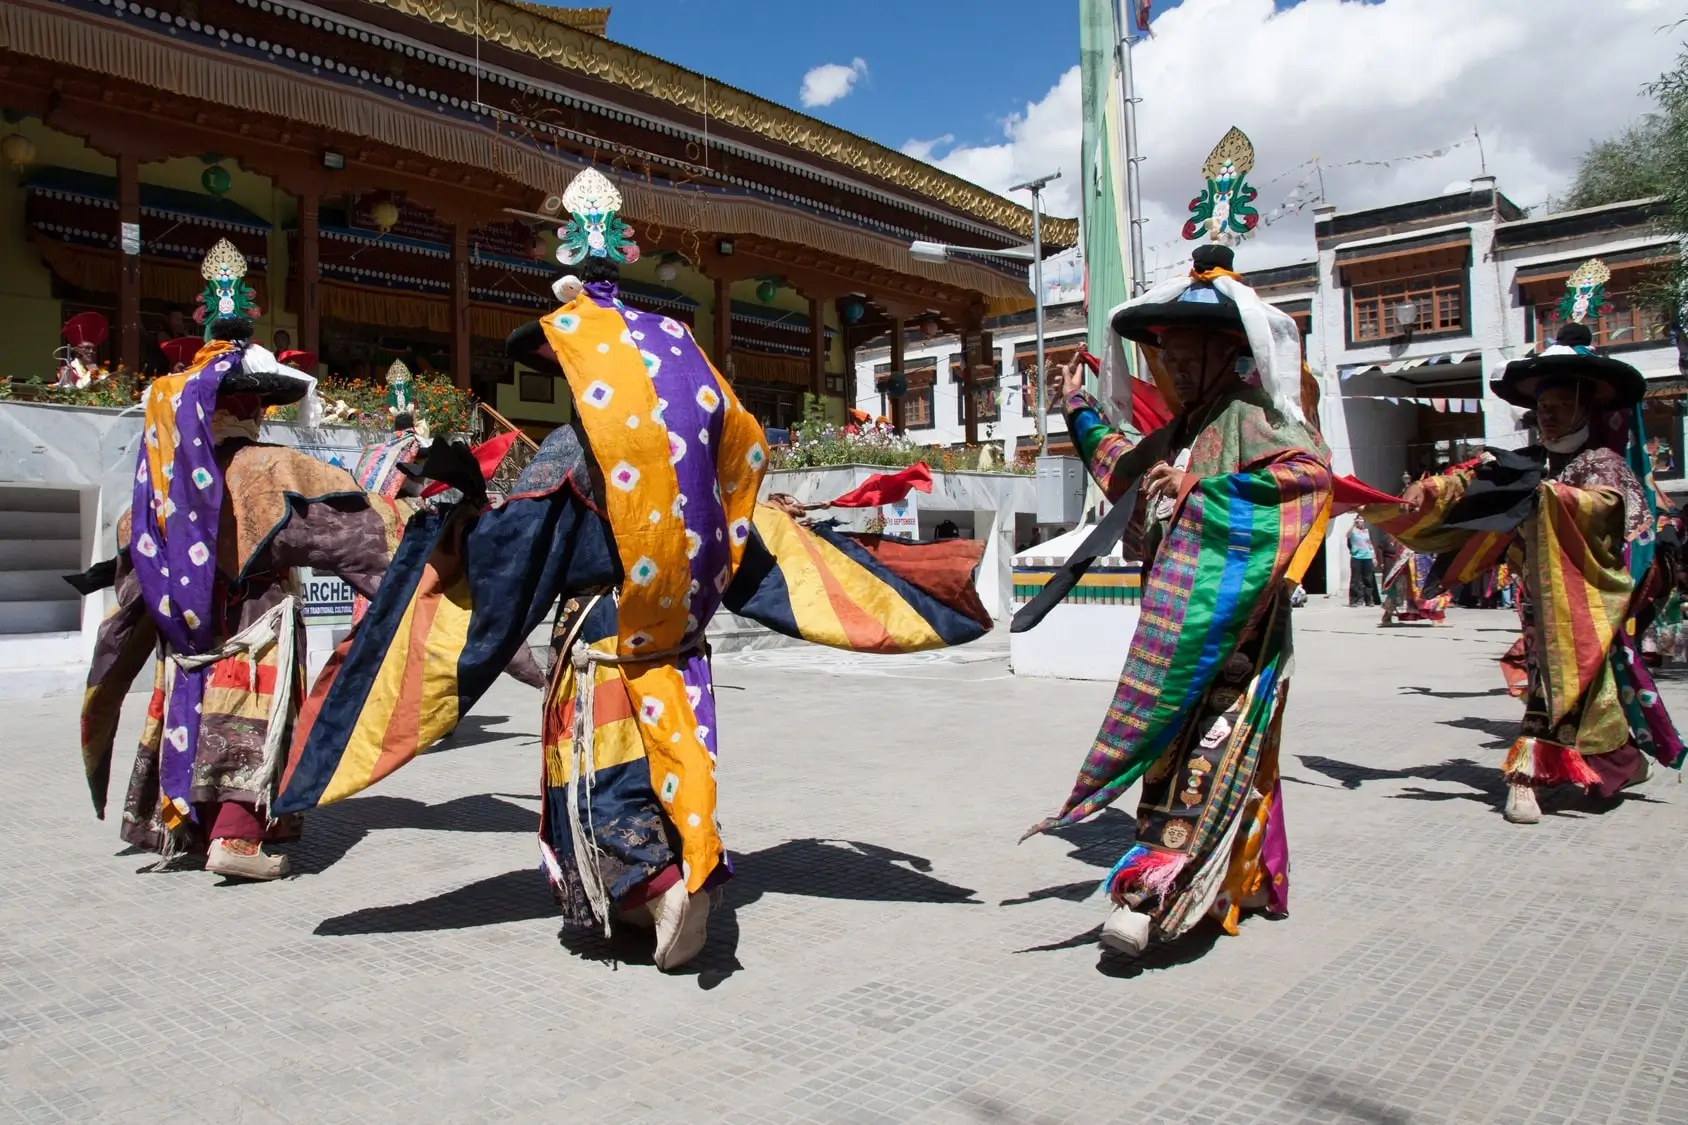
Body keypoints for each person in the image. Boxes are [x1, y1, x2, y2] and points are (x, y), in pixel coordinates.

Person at [269, 169, 993, 970]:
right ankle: (686, 871)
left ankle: (661, 891)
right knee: (673, 764)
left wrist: (453, 519)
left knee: (607, 777)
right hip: (677, 646)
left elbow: (512, 556)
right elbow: (747, 526)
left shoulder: (572, 451)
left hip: (603, 642)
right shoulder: (689, 463)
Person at [1022, 244, 1332, 956]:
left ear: (1228, 350)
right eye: (1170, 358)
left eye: (1190, 356)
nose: (1179, 370)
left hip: (1236, 637)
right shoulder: (1183, 427)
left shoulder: (1256, 417)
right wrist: (1073, 403)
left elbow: (1311, 478)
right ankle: (1241, 876)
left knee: (1209, 755)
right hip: (1172, 633)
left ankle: (1151, 893)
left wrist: (1202, 491)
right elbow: (1121, 469)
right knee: (1170, 752)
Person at [71, 239, 409, 879]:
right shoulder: (274, 468)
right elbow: (367, 533)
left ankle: (188, 826)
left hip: (188, 636)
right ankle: (238, 838)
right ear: (252, 407)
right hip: (255, 623)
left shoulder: (157, 489)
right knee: (247, 711)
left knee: (192, 708)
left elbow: (130, 576)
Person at [1364, 322, 1684, 824]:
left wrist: (1544, 496)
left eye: (1558, 407)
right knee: (1556, 684)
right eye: (1541, 409)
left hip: (1587, 600)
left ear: (1584, 405)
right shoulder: (1528, 462)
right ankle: (1616, 762)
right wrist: (1426, 493)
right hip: (1537, 601)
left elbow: (1606, 510)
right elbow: (1469, 484)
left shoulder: (1601, 463)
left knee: (1563, 687)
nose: (1547, 417)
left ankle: (1527, 776)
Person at [1348, 516, 1379, 606]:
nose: (1361, 522)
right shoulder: (1353, 531)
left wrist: (1374, 557)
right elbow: (1347, 535)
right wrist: (1353, 525)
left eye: (1363, 521)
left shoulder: (1366, 531)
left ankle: (1369, 600)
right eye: (1360, 521)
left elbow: (1369, 544)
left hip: (1367, 557)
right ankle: (1354, 600)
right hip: (1356, 557)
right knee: (1355, 579)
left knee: (1368, 579)